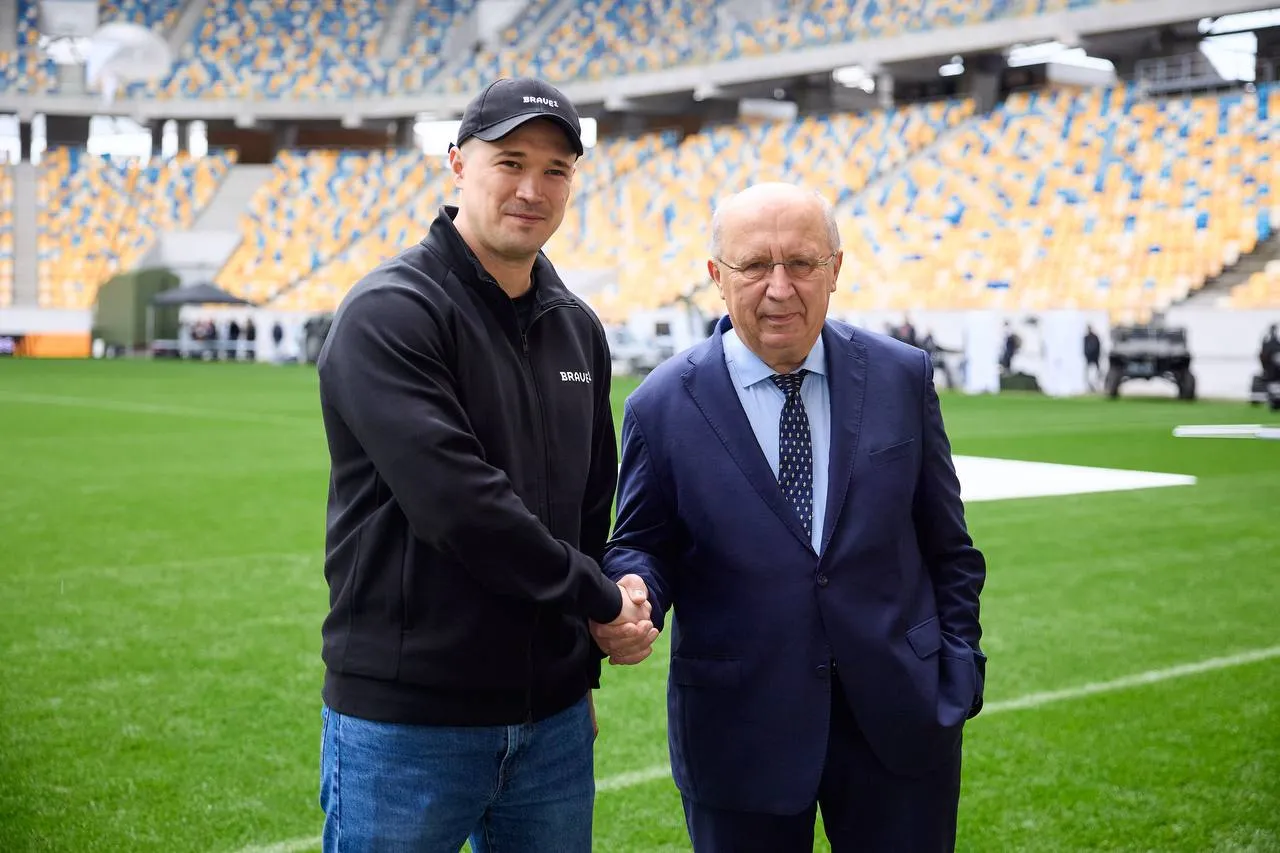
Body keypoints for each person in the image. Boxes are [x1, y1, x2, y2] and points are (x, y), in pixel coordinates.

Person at [314, 77, 656, 853]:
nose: (533, 188)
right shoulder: (390, 312)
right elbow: (461, 508)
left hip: (552, 722)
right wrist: (603, 600)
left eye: (556, 169)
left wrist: (578, 666)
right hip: (410, 723)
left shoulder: (577, 328)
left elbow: (586, 508)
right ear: (457, 164)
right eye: (510, 162)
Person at [593, 182, 987, 852]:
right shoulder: (661, 404)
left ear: (836, 268)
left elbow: (949, 545)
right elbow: (641, 543)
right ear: (717, 275)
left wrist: (959, 664)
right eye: (754, 265)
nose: (780, 288)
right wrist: (635, 589)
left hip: (900, 715)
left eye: (802, 263)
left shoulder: (901, 376)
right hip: (739, 729)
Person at [1084, 324, 1102, 391]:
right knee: (1089, 372)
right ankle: (1089, 385)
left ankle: (1097, 385)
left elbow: (1098, 347)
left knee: (1096, 371)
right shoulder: (1086, 338)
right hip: (1089, 358)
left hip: (1095, 357)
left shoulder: (1095, 337)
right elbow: (1085, 348)